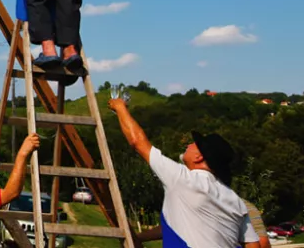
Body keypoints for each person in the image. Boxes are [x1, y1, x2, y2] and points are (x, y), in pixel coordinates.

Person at [108, 98, 260, 248]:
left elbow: (138, 142)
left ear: (199, 157)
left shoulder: (183, 179)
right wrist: (139, 238)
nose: (189, 144)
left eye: (195, 144)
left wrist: (120, 108)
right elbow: (254, 245)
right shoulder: (234, 199)